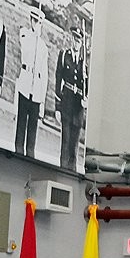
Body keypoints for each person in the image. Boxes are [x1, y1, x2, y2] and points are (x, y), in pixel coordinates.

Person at [14, 7, 48, 157]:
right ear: (31, 21)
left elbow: (45, 75)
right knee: (21, 125)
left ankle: (30, 156)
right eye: (36, 21)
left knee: (32, 131)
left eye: (40, 23)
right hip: (25, 85)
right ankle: (18, 154)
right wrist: (33, 34)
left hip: (36, 91)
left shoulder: (43, 47)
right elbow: (25, 48)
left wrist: (43, 103)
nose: (38, 25)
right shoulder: (25, 35)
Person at [55, 27, 86, 170]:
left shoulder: (84, 63)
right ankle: (62, 170)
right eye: (74, 39)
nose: (76, 42)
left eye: (78, 40)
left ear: (81, 44)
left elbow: (88, 86)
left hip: (78, 109)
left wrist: (86, 98)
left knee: (74, 147)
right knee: (65, 143)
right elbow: (58, 79)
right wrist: (57, 106)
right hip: (67, 105)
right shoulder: (64, 55)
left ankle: (72, 172)